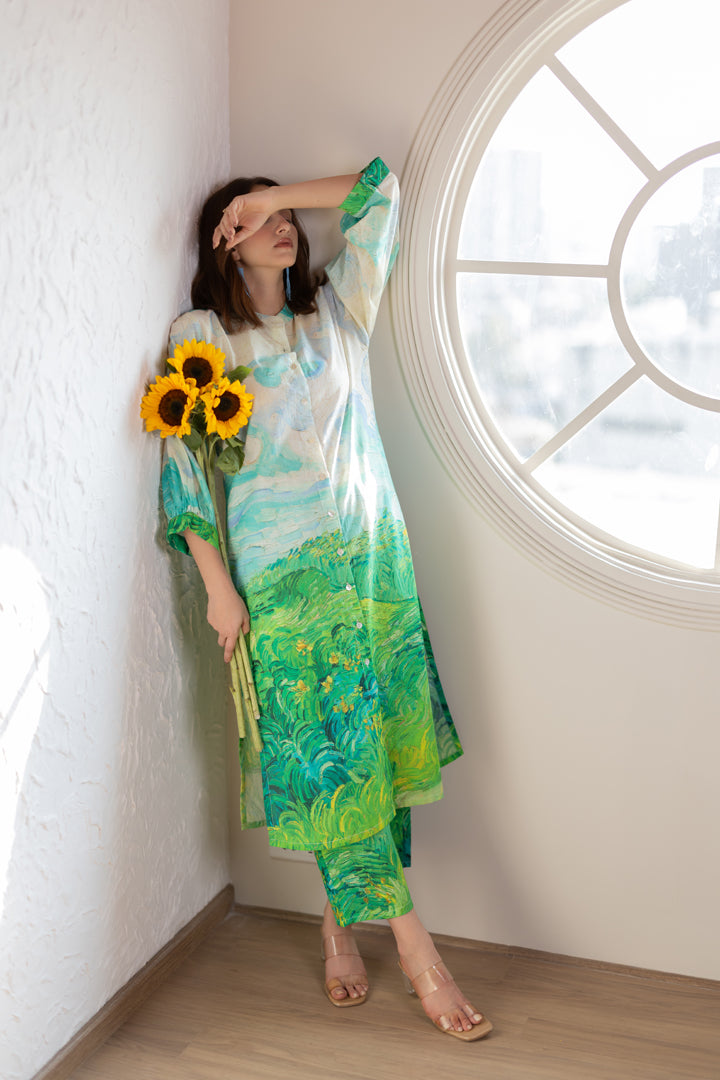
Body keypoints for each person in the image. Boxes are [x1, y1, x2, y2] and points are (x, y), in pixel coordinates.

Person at [161, 158, 492, 1040]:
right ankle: (419, 951)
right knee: (330, 763)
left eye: (283, 216)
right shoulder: (204, 337)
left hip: (375, 564)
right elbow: (184, 467)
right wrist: (218, 588)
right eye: (252, 219)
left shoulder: (338, 310)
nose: (280, 227)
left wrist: (272, 195)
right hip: (284, 584)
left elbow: (383, 190)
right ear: (222, 245)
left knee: (375, 748)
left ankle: (339, 925)